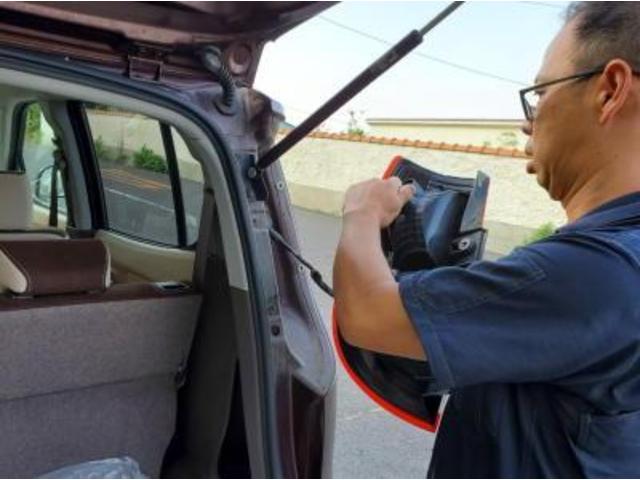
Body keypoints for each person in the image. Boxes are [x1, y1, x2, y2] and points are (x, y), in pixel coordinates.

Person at [333, 2, 640, 477]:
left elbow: (368, 315)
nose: (527, 121)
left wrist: (361, 212)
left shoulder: (597, 272)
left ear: (610, 90)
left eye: (540, 93)